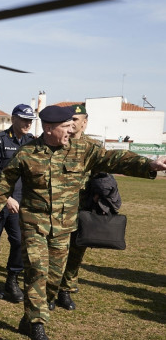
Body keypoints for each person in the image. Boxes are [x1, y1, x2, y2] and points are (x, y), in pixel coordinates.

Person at [0, 105, 166, 340]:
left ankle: (29, 317)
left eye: (71, 126)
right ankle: (38, 330)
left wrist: (150, 164)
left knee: (53, 281)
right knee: (36, 273)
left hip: (64, 227)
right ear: (49, 128)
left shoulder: (82, 150)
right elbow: (3, 184)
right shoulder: (27, 154)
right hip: (35, 224)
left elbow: (114, 158)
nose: (71, 130)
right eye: (65, 127)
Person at [0, 104, 35, 303]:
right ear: (13, 119)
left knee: (19, 241)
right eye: (24, 119)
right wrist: (6, 197)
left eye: (30, 120)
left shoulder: (31, 142)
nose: (28, 123)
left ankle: (12, 279)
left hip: (18, 203)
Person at [55, 104, 103, 310]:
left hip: (82, 209)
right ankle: (49, 290)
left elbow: (102, 176)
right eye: (69, 119)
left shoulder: (93, 147)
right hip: (57, 207)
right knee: (54, 253)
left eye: (76, 119)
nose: (72, 123)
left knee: (76, 252)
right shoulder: (57, 143)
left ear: (85, 122)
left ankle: (65, 289)